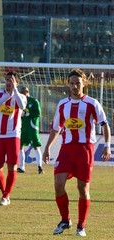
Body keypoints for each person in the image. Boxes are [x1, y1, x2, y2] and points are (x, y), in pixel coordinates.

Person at [42, 69, 111, 237]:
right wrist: (47, 147)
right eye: (72, 83)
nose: (75, 86)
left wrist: (107, 145)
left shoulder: (92, 103)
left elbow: (104, 124)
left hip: (84, 149)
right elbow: (56, 128)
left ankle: (81, 226)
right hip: (66, 149)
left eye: (78, 83)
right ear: (68, 84)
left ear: (84, 84)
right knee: (58, 185)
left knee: (82, 188)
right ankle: (65, 220)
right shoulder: (62, 104)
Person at [0, 71, 27, 206]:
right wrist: (6, 96)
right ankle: (5, 193)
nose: (8, 82)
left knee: (12, 167)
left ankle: (6, 196)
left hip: (13, 136)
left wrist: (14, 91)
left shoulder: (21, 96)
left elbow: (22, 106)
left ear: (16, 83)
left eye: (11, 80)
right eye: (6, 80)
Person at [18, 87, 44, 174]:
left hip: (32, 127)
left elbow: (38, 113)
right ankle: (21, 167)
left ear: (27, 92)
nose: (21, 94)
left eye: (22, 92)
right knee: (20, 146)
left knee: (36, 146)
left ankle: (40, 166)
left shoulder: (34, 101)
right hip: (23, 127)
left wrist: (28, 113)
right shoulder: (20, 101)